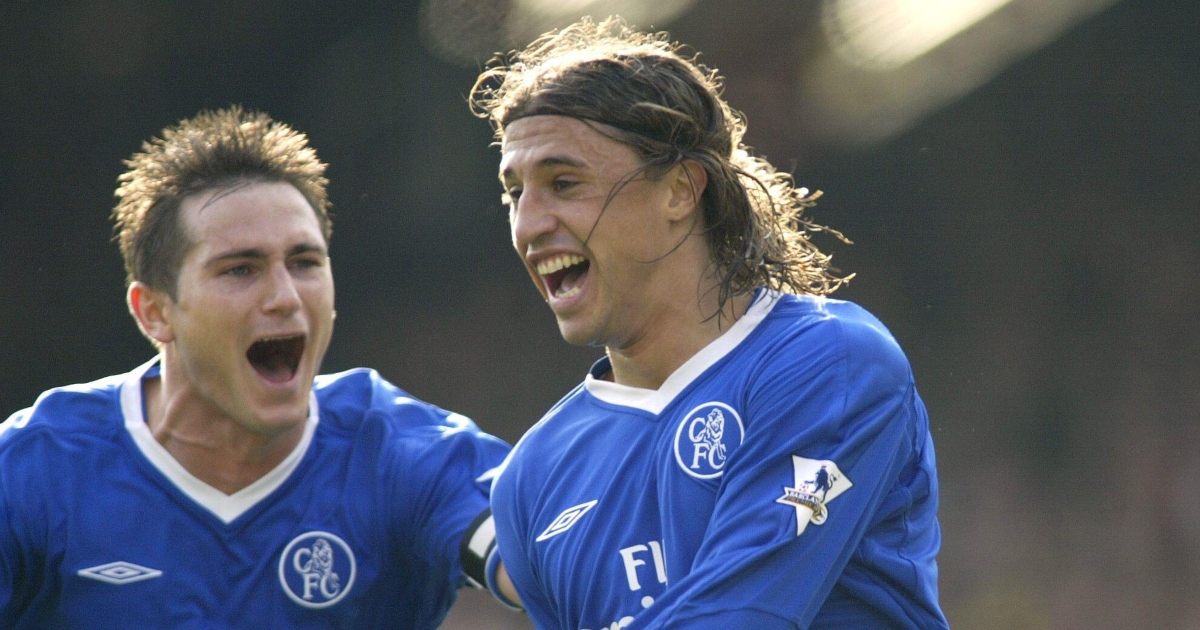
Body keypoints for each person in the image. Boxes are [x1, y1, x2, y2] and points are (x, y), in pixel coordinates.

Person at [471, 18, 950, 629]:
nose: (528, 224)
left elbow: (739, 617)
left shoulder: (831, 363)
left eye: (564, 183)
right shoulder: (533, 479)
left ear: (680, 189)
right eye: (514, 194)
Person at [0, 106, 510, 628]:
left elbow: (547, 560)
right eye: (241, 269)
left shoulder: (403, 455)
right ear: (154, 311)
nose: (285, 296)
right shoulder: (36, 468)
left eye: (305, 263)